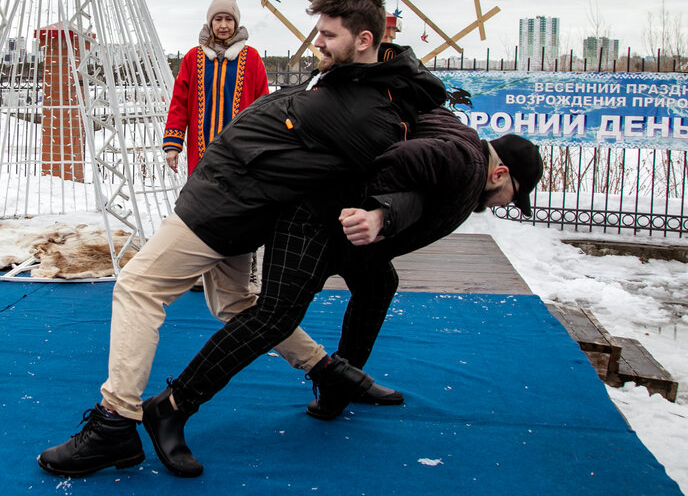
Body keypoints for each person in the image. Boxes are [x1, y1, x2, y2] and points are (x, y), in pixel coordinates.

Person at [38, 0, 447, 478]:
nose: (316, 42)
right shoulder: (346, 80)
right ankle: (329, 371)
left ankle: (114, 424)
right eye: (317, 31)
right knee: (237, 304)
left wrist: (388, 210)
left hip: (225, 204)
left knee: (138, 287)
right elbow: (190, 103)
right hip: (236, 194)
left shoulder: (366, 106)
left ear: (363, 40)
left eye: (327, 34)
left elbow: (405, 167)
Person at [137, 108, 544, 475]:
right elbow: (401, 161)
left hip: (347, 232)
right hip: (316, 220)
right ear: (501, 173)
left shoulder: (458, 137)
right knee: (274, 316)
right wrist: (377, 209)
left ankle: (339, 381)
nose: (506, 204)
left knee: (380, 282)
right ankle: (172, 406)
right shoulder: (465, 161)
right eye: (513, 195)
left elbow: (417, 125)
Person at [163, 0, 269, 174]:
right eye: (218, 19)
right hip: (200, 150)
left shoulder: (252, 58)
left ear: (236, 23)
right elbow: (179, 104)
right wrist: (173, 144)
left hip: (240, 151)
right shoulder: (193, 58)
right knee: (200, 196)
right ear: (211, 22)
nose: (223, 25)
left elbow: (264, 105)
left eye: (229, 19)